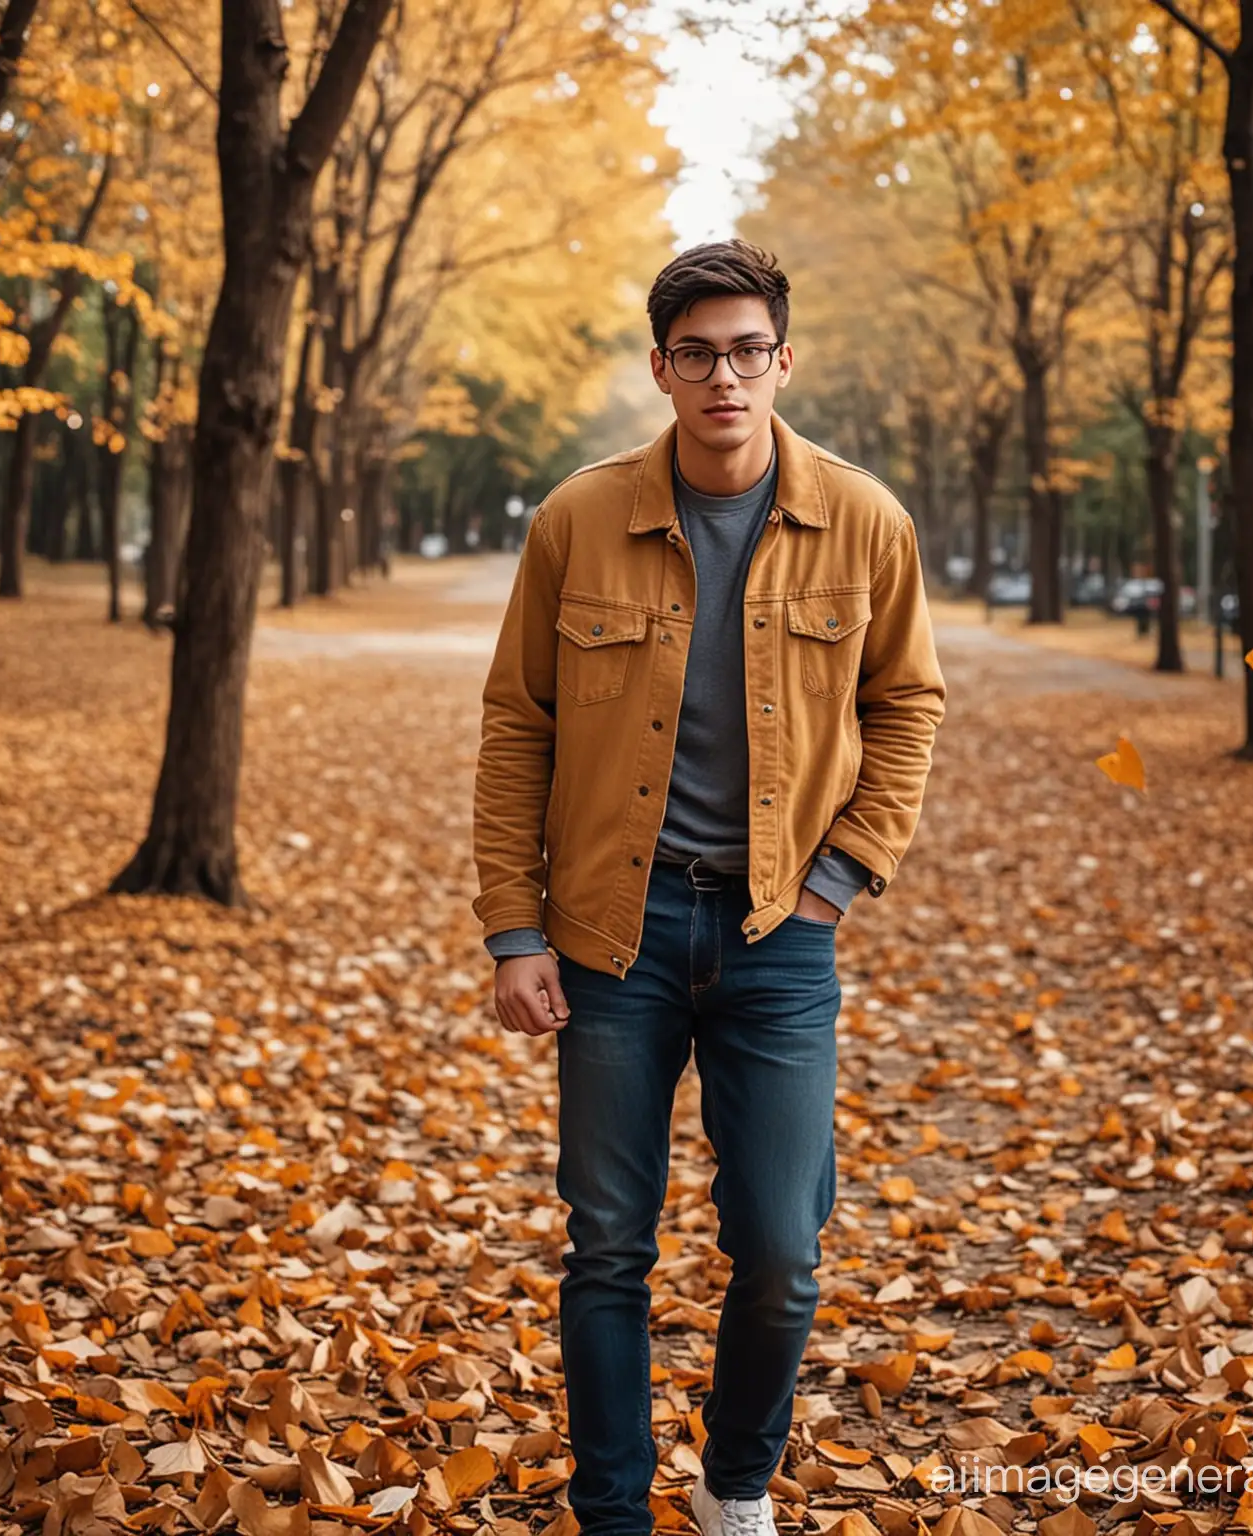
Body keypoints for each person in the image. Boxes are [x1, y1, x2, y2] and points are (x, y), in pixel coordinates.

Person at [471, 240, 946, 1536]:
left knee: (784, 1249)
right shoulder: (578, 518)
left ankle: (736, 1485)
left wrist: (841, 878)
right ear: (662, 368)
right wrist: (516, 930)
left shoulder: (865, 523)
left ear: (784, 360)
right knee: (609, 1244)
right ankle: (612, 1510)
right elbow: (519, 722)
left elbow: (907, 706)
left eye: (748, 351)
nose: (725, 376)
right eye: (698, 354)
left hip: (778, 932)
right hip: (609, 935)